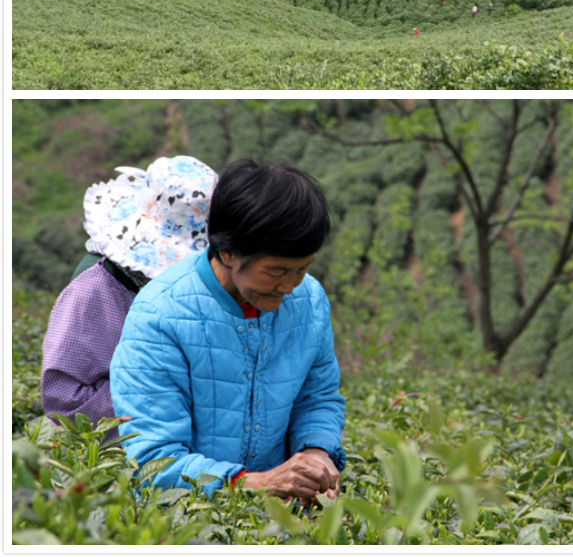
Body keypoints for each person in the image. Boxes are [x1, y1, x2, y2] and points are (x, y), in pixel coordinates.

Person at [110, 159, 345, 505]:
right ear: (228, 252)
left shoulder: (309, 301)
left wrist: (317, 450)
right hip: (190, 523)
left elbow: (317, 396)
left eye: (302, 269)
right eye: (277, 271)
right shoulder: (160, 316)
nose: (291, 286)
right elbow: (152, 460)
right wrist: (256, 483)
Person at [41, 156, 218, 440]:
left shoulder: (186, 288)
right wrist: (161, 403)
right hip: (111, 461)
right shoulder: (94, 291)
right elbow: (65, 397)